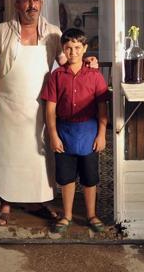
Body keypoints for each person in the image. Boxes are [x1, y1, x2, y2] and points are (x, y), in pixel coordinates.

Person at [0, 0, 95, 226]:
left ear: (41, 4)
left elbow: (66, 60)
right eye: (26, 0)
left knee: (37, 154)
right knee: (7, 152)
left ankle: (36, 201)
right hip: (8, 103)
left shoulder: (53, 33)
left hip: (41, 105)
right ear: (17, 5)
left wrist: (86, 62)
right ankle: (5, 204)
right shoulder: (2, 30)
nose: (31, 4)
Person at [40, 28, 109, 233]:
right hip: (64, 132)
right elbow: (50, 109)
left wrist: (101, 133)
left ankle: (91, 215)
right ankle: (67, 215)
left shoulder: (95, 76)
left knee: (89, 177)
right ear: (63, 49)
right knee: (66, 177)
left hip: (89, 131)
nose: (73, 52)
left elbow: (102, 109)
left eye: (77, 48)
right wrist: (53, 135)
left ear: (85, 49)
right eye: (68, 48)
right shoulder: (56, 76)